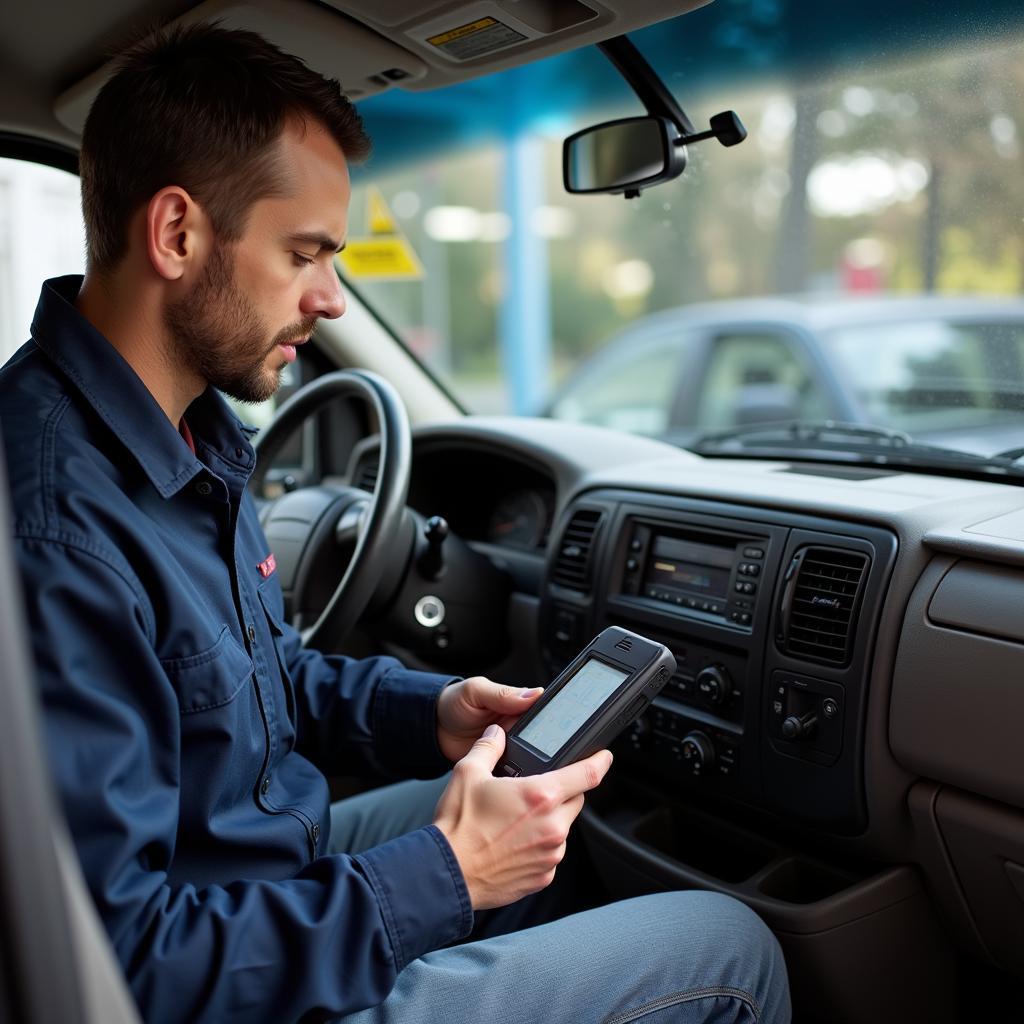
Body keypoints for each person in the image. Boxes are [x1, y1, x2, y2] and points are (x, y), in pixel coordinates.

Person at [0, 22, 790, 1024]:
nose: (331, 296)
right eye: (304, 254)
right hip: (212, 979)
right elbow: (122, 973)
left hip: (252, 884)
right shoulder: (52, 528)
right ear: (176, 234)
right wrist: (448, 872)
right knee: (730, 951)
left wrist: (434, 710)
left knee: (530, 810)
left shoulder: (185, 433)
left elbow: (258, 679)